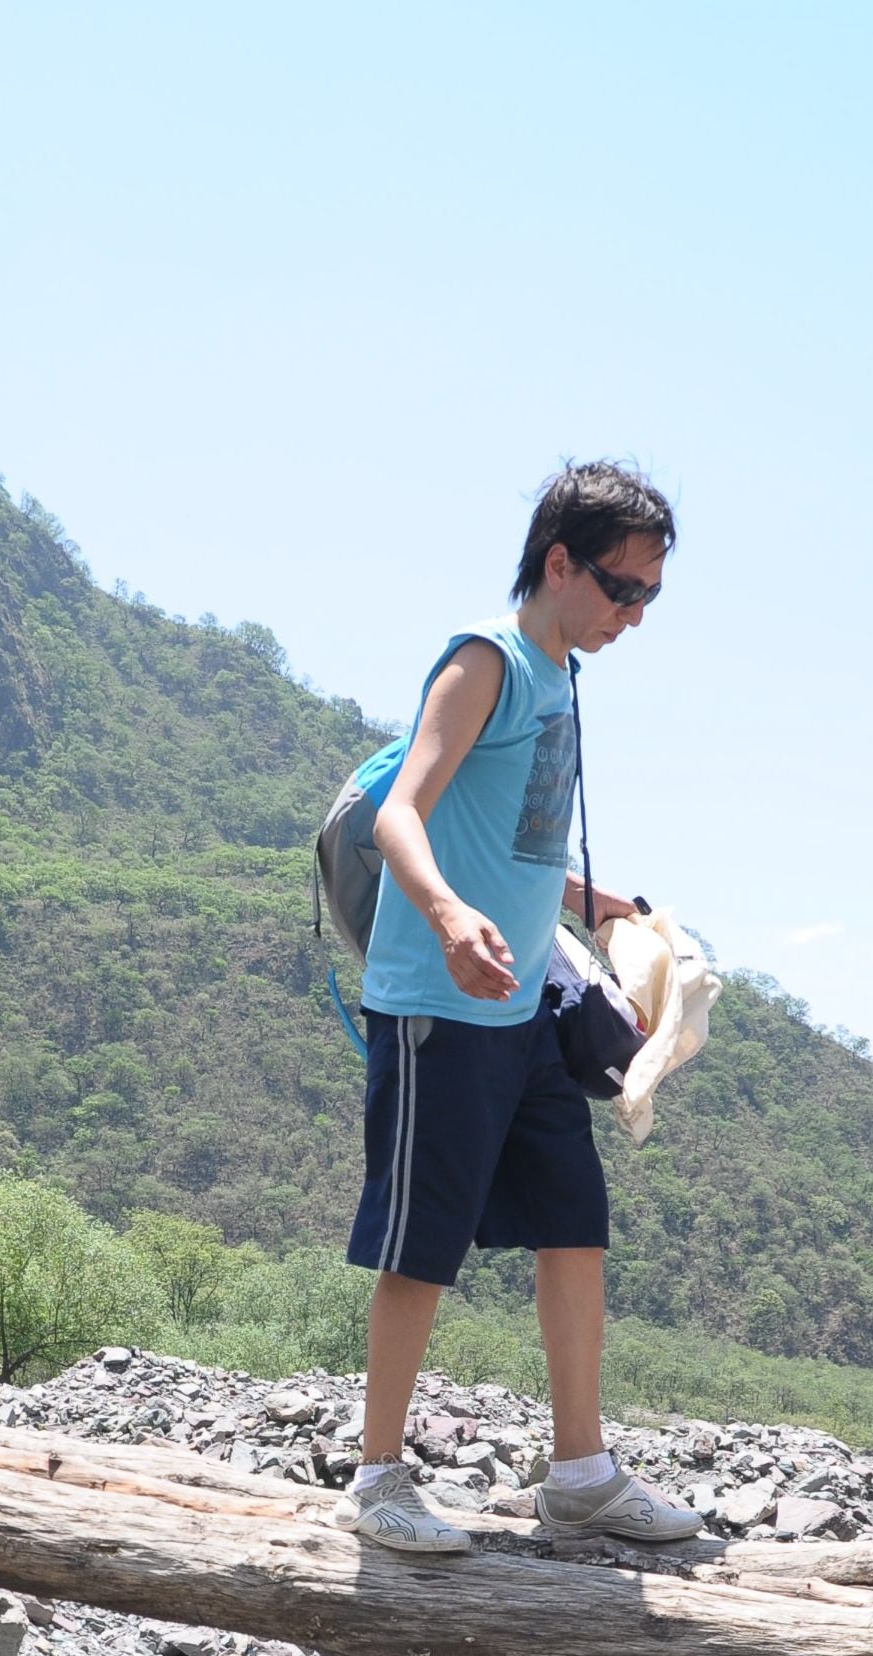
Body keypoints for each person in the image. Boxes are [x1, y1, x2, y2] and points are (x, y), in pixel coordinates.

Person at [341, 461, 701, 1556]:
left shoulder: (564, 674)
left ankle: (581, 1474)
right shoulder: (484, 659)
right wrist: (449, 920)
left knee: (571, 1219)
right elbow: (401, 816)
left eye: (650, 595)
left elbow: (514, 831)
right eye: (621, 588)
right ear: (559, 563)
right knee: (421, 1242)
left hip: (527, 1001)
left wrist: (591, 903)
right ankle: (378, 1479)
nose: (635, 613)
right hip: (438, 1000)